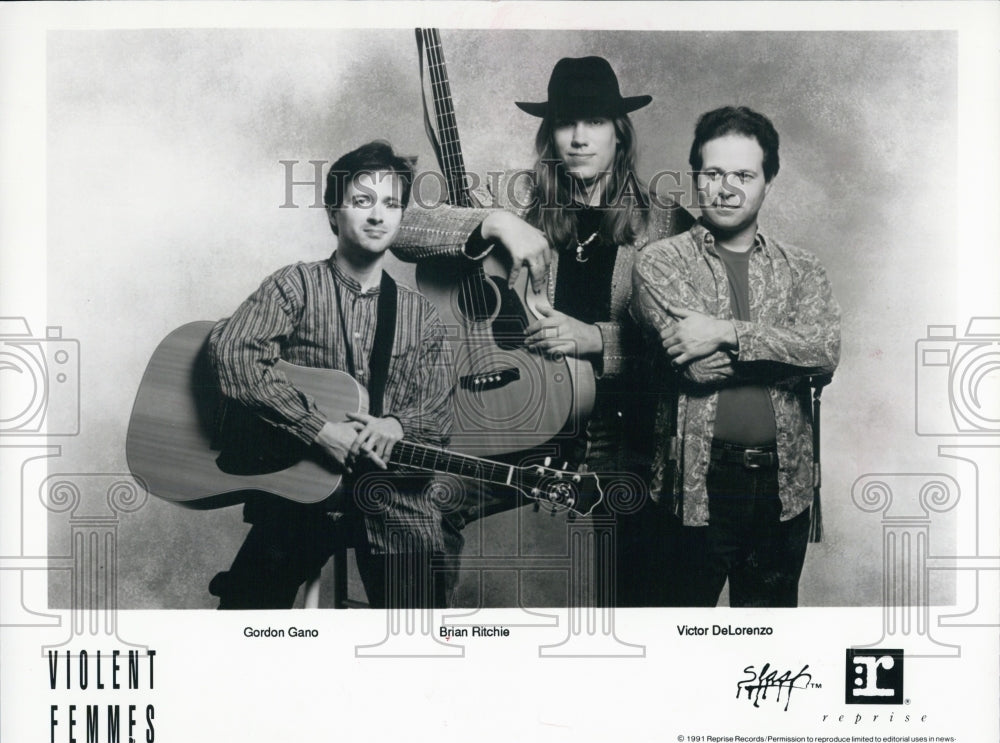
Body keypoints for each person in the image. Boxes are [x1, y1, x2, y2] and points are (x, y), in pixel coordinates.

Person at [393, 56, 694, 606]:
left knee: (641, 597)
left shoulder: (668, 225)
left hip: (623, 444)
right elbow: (402, 227)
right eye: (565, 122)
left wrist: (598, 340)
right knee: (420, 504)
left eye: (595, 122)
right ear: (549, 135)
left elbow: (691, 350)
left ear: (619, 136)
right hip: (525, 434)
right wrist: (493, 223)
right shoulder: (523, 214)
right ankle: (424, 657)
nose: (579, 137)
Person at [207, 141, 457, 609]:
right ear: (332, 213)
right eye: (363, 201)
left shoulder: (421, 315)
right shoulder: (294, 285)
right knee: (246, 616)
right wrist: (316, 428)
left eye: (391, 204)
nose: (378, 216)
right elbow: (234, 356)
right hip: (299, 493)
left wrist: (397, 425)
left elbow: (438, 415)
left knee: (423, 642)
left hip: (394, 501)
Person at [631, 106, 841, 607]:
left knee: (766, 643)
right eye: (713, 173)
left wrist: (724, 330)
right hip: (698, 484)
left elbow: (825, 352)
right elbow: (695, 364)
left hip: (784, 485)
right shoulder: (660, 261)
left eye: (744, 175)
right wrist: (781, 348)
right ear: (695, 178)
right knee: (679, 638)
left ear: (769, 181)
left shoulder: (803, 269)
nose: (726, 188)